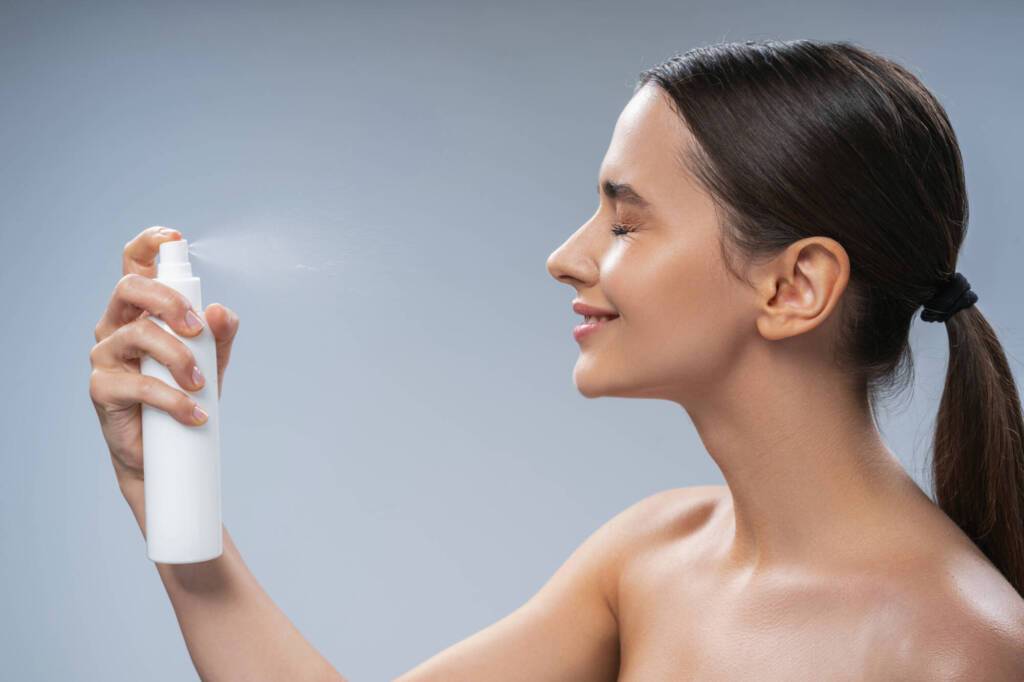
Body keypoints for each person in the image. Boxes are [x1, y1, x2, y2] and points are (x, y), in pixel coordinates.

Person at [89, 39, 1024, 680]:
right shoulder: (656, 554)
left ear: (794, 287)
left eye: (625, 220)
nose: (567, 256)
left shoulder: (954, 649)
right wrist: (172, 500)